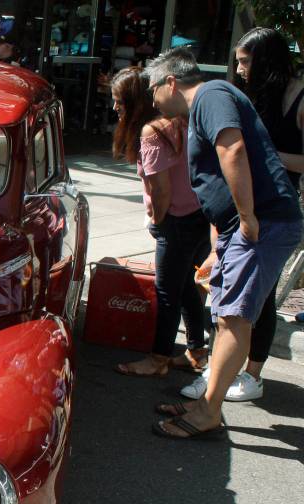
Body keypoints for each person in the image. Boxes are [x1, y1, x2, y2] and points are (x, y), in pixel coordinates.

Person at [145, 48, 302, 439]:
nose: (152, 101)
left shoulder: (211, 94)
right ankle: (206, 403)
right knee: (226, 315)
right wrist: (221, 244)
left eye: (152, 91)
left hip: (261, 222)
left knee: (234, 318)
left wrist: (248, 218)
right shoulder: (205, 104)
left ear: (170, 82)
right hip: (243, 225)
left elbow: (231, 149)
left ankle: (208, 411)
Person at [181, 27, 304, 402]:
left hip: (279, 207)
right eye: (237, 60)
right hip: (244, 203)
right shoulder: (250, 96)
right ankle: (220, 372)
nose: (239, 68)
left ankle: (251, 374)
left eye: (246, 61)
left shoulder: (299, 97)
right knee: (230, 294)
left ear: (267, 60)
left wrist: (264, 156)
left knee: (257, 298)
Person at [109, 66, 211, 377]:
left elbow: (161, 190)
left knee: (168, 291)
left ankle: (158, 359)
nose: (115, 108)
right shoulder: (178, 122)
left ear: (137, 101)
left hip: (176, 220)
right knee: (185, 288)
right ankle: (196, 351)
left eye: (119, 102)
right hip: (198, 216)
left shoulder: (151, 131)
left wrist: (156, 219)